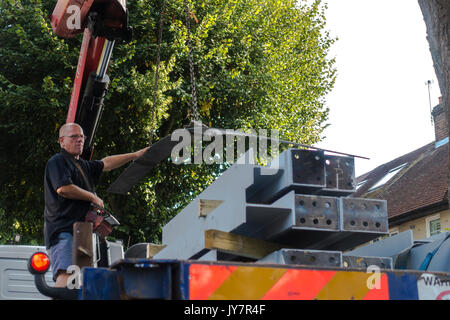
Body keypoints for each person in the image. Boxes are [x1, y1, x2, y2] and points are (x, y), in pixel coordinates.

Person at [44, 123, 148, 288]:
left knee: (80, 285)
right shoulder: (57, 161)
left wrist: (136, 155)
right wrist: (93, 197)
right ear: (61, 141)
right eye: (74, 136)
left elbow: (106, 163)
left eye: (82, 136)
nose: (79, 140)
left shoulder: (83, 166)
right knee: (66, 278)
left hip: (82, 234)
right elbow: (63, 188)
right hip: (63, 231)